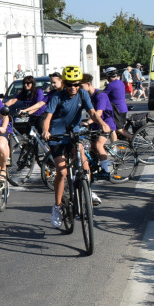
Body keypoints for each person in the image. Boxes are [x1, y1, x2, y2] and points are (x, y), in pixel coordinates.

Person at [42, 66, 112, 227]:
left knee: (83, 161)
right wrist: (46, 131)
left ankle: (87, 190)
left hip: (73, 134)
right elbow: (48, 117)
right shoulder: (57, 96)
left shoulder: (83, 94)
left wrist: (102, 124)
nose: (73, 88)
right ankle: (57, 207)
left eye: (76, 84)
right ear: (64, 83)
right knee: (62, 171)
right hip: (57, 136)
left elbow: (93, 112)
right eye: (70, 84)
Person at [79, 74, 118, 183]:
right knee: (89, 145)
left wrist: (87, 122)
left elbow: (99, 113)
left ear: (88, 84)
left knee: (98, 144)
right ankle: (98, 164)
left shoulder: (100, 95)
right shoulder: (88, 97)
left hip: (106, 123)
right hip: (96, 124)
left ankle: (105, 171)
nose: (80, 90)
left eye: (81, 87)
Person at [102, 66, 131, 140]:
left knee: (118, 129)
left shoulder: (110, 85)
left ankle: (134, 139)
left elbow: (102, 95)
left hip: (117, 110)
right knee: (115, 128)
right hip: (123, 108)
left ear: (108, 76)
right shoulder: (120, 83)